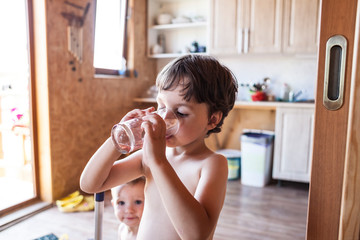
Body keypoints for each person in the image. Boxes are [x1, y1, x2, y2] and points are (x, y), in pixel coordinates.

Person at [80, 54, 238, 239]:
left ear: (212, 119)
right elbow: (90, 184)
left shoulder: (212, 164)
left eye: (180, 112)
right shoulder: (149, 156)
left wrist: (158, 162)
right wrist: (117, 141)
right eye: (161, 105)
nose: (165, 118)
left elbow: (196, 235)